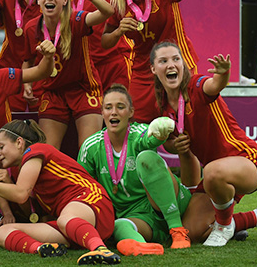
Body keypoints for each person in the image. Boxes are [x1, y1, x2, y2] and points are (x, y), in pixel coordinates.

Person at [150, 42, 257, 247]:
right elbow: (170, 144)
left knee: (212, 171)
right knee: (192, 232)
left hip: (248, 161)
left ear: (183, 64)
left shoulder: (195, 85)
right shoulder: (162, 106)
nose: (171, 65)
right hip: (215, 177)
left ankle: (223, 227)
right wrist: (176, 147)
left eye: (176, 59)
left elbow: (213, 85)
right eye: (163, 61)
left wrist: (223, 74)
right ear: (153, 68)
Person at [0, 120, 120, 265]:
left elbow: (20, 194)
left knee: (65, 219)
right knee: (3, 232)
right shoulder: (23, 168)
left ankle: (101, 250)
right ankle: (43, 249)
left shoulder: (35, 149)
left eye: (0, 146)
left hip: (93, 203)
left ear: (19, 143)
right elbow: (31, 211)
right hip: (76, 227)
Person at [101, 0, 213, 123]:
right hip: (143, 71)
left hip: (177, 63)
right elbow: (105, 41)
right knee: (137, 127)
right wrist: (119, 31)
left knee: (186, 123)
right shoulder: (117, 0)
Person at [78, 85, 190, 255]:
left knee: (146, 157)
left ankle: (177, 230)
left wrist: (158, 132)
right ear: (102, 113)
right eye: (108, 108)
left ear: (131, 112)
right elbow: (84, 186)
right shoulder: (91, 146)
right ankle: (142, 246)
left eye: (120, 107)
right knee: (119, 225)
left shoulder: (138, 132)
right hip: (138, 217)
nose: (113, 112)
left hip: (164, 203)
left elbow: (148, 139)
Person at [22, 0, 115, 149]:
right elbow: (28, 61)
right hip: (53, 92)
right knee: (47, 151)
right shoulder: (30, 28)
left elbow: (108, 12)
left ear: (65, 0)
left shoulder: (76, 20)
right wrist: (27, 84)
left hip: (84, 88)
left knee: (89, 151)